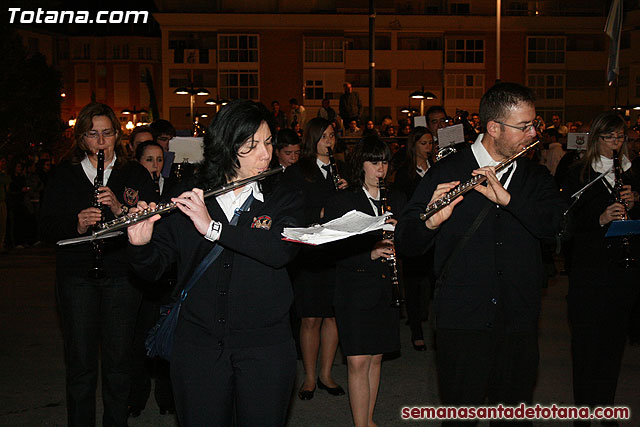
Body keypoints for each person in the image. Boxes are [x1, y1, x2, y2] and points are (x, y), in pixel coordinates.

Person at [395, 82, 565, 425]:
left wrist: (510, 201)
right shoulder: (446, 171)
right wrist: (430, 222)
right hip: (463, 321)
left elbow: (559, 228)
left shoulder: (534, 176)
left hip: (518, 319)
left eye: (535, 124)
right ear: (493, 128)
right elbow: (407, 244)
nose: (532, 133)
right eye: (523, 126)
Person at [127, 99, 303, 426]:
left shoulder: (284, 194)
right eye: (251, 146)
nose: (266, 154)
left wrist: (213, 228)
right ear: (225, 147)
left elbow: (280, 249)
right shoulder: (189, 195)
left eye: (267, 143)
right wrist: (141, 244)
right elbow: (154, 269)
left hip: (265, 346)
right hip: (198, 345)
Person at [40, 102, 157, 427]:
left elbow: (151, 219)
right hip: (77, 274)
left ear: (117, 135)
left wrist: (119, 209)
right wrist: (76, 224)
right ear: (81, 138)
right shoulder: (65, 173)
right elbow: (45, 226)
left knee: (119, 363)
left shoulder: (133, 173)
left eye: (107, 133)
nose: (101, 141)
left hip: (121, 275)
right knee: (80, 363)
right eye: (93, 134)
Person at [561, 111, 640, 426]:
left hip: (622, 271)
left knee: (611, 347)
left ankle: (605, 409)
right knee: (585, 346)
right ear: (596, 138)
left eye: (620, 138)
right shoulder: (580, 173)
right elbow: (567, 224)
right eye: (609, 137)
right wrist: (600, 219)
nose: (616, 144)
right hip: (590, 273)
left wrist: (635, 202)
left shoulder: (633, 172)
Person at [324, 136, 404, 426]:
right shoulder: (342, 201)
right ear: (361, 164)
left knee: (375, 358)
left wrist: (401, 232)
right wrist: (370, 253)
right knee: (357, 360)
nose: (380, 168)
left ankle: (368, 419)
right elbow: (331, 249)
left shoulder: (398, 199)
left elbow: (413, 243)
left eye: (384, 161)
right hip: (354, 289)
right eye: (373, 161)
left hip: (384, 289)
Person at [283, 117, 348, 401]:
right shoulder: (298, 171)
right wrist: (320, 212)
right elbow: (290, 211)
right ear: (312, 139)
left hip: (335, 250)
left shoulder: (339, 168)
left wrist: (347, 194)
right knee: (310, 318)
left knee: (332, 316)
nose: (329, 142)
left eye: (332, 136)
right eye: (323, 137)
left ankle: (326, 373)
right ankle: (309, 377)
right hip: (309, 251)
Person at [127, 141, 177, 418]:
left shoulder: (172, 187)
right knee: (140, 338)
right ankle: (137, 396)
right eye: (149, 160)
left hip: (167, 272)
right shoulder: (133, 190)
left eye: (159, 160)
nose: (155, 166)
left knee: (167, 334)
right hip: (143, 275)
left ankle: (167, 398)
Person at [392, 127, 435, 351]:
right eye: (424, 143)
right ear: (414, 145)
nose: (428, 147)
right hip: (414, 230)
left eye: (430, 143)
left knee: (434, 281)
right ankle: (416, 330)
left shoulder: (435, 168)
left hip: (435, 230)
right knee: (414, 282)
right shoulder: (405, 173)